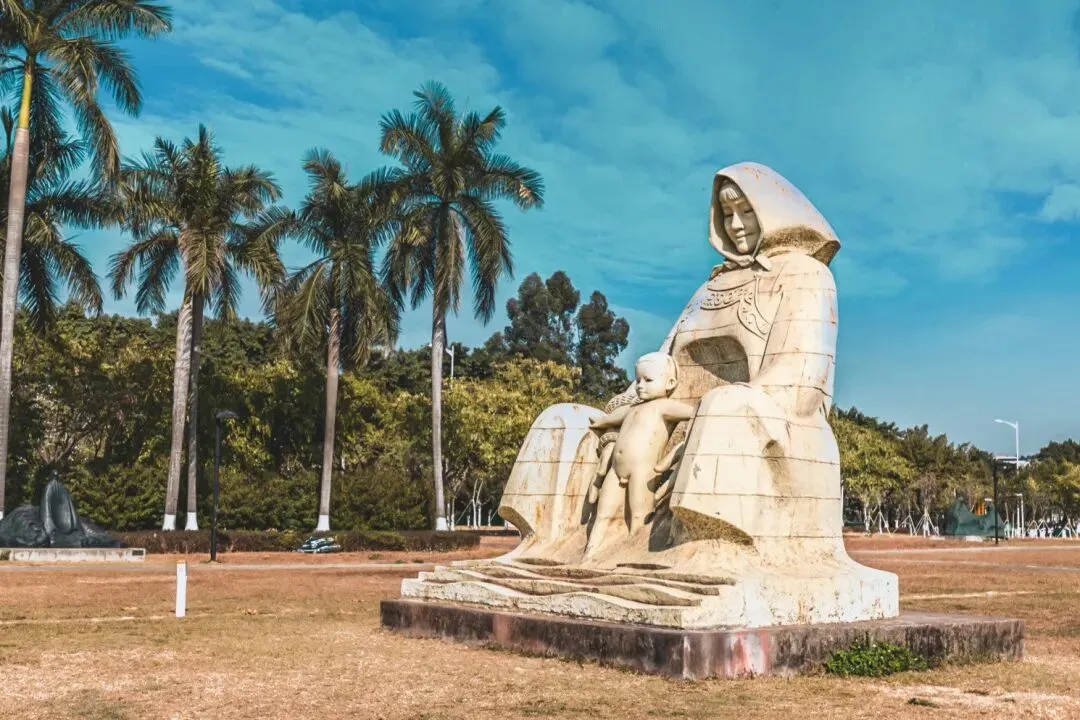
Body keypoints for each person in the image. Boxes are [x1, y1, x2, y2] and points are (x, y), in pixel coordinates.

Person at [585, 352, 695, 554]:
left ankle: (633, 554)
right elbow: (614, 418)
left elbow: (694, 413)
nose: (640, 386)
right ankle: (590, 553)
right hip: (616, 469)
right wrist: (601, 422)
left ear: (670, 383)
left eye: (648, 380)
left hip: (642, 470)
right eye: (638, 380)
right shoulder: (633, 407)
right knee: (603, 512)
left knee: (639, 516)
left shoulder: (664, 407)